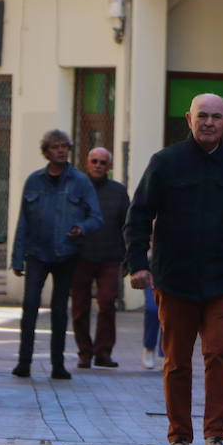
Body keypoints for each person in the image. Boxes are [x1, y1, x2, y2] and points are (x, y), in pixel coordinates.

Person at [125, 93, 223, 445]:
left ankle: (215, 437)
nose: (209, 123)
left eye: (216, 117)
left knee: (220, 353)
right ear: (188, 119)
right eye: (202, 116)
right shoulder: (164, 163)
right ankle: (179, 438)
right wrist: (137, 265)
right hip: (174, 279)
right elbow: (139, 215)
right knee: (176, 360)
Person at [10, 130, 103, 380]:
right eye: (55, 147)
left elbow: (96, 216)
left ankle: (57, 364)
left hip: (66, 252)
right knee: (30, 306)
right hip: (37, 252)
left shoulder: (80, 181)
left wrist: (81, 228)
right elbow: (23, 222)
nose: (61, 150)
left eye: (65, 146)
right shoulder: (34, 181)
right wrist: (17, 258)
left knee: (60, 309)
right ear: (46, 151)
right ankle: (24, 362)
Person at [71, 147, 130, 369]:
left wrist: (128, 257)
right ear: (87, 163)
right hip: (80, 256)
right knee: (79, 307)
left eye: (102, 162)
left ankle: (103, 352)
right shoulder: (76, 190)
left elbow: (127, 225)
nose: (98, 165)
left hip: (110, 257)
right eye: (94, 161)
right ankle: (84, 352)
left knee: (107, 303)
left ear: (109, 166)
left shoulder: (118, 192)